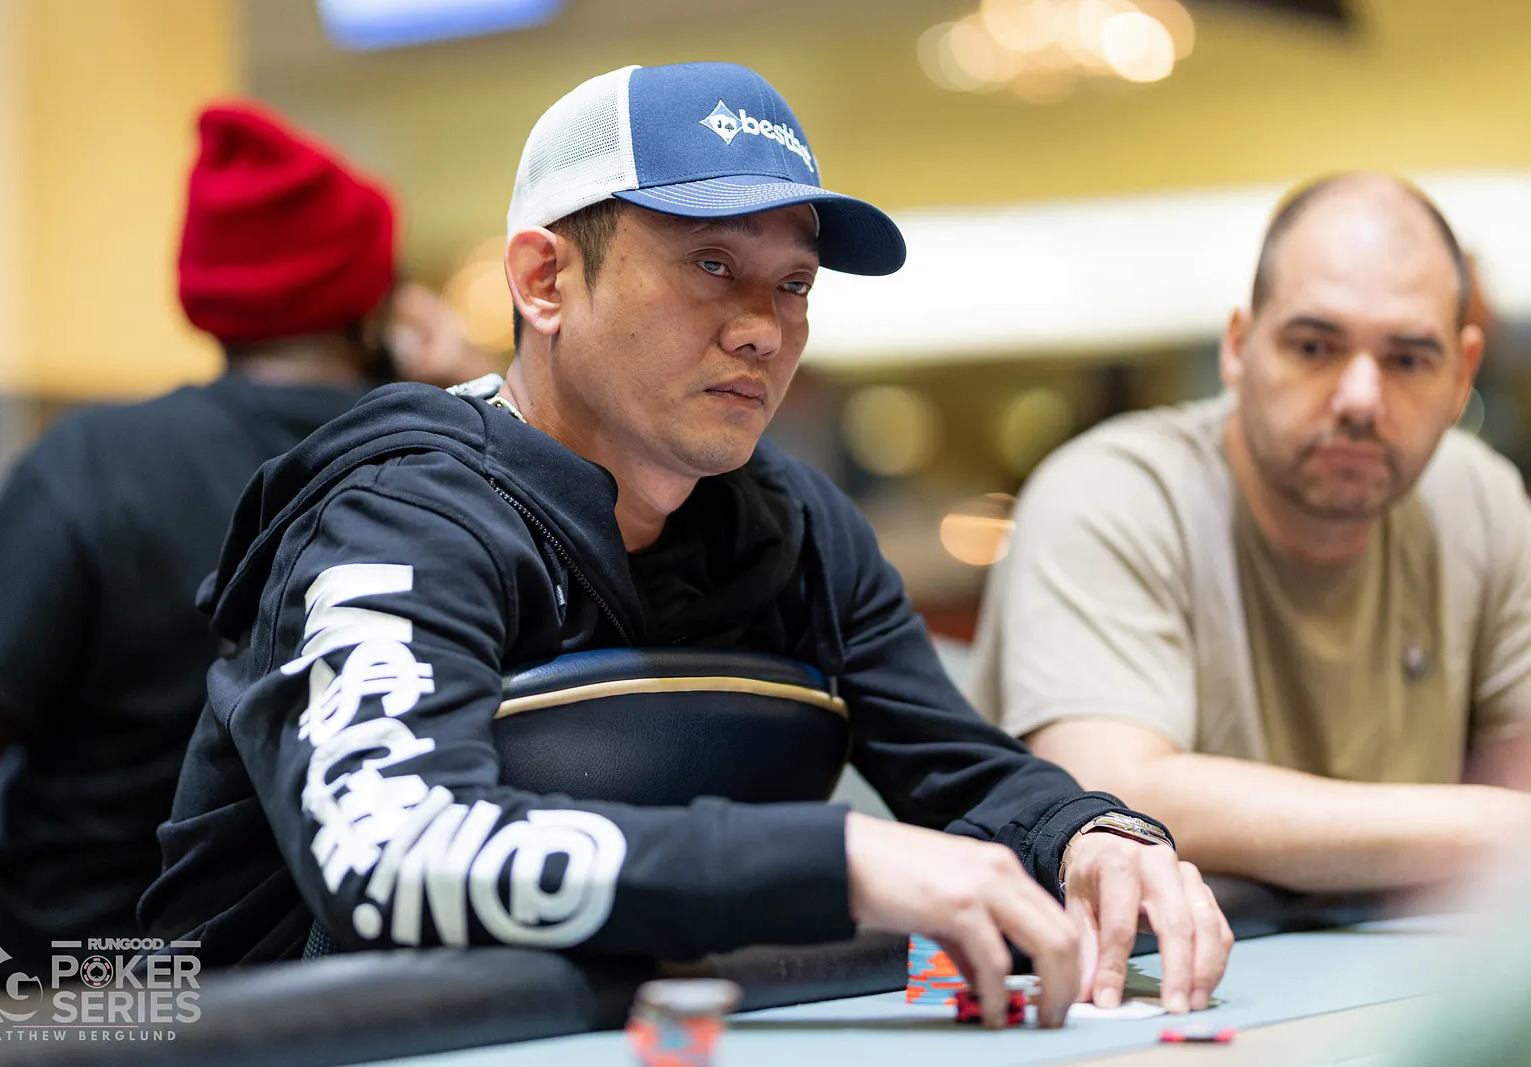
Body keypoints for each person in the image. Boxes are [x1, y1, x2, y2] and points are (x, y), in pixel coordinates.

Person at [139, 62, 1231, 1027]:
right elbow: (393, 850)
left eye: (794, 283)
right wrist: (835, 859)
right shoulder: (398, 513)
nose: (763, 327)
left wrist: (1091, 833)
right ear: (544, 280)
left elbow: (961, 769)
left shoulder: (798, 524)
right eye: (711, 263)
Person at [0, 101, 481, 999]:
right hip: (312, 981)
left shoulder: (99, 460)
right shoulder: (442, 466)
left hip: (49, 980)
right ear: (374, 301)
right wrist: (454, 388)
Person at [967, 173, 1531, 896]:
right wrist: (1488, 828)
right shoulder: (1110, 495)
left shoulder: (1481, 502)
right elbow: (1104, 799)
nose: (1361, 399)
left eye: (1409, 360)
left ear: (1462, 375)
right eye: (1314, 347)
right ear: (1238, 347)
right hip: (1135, 963)